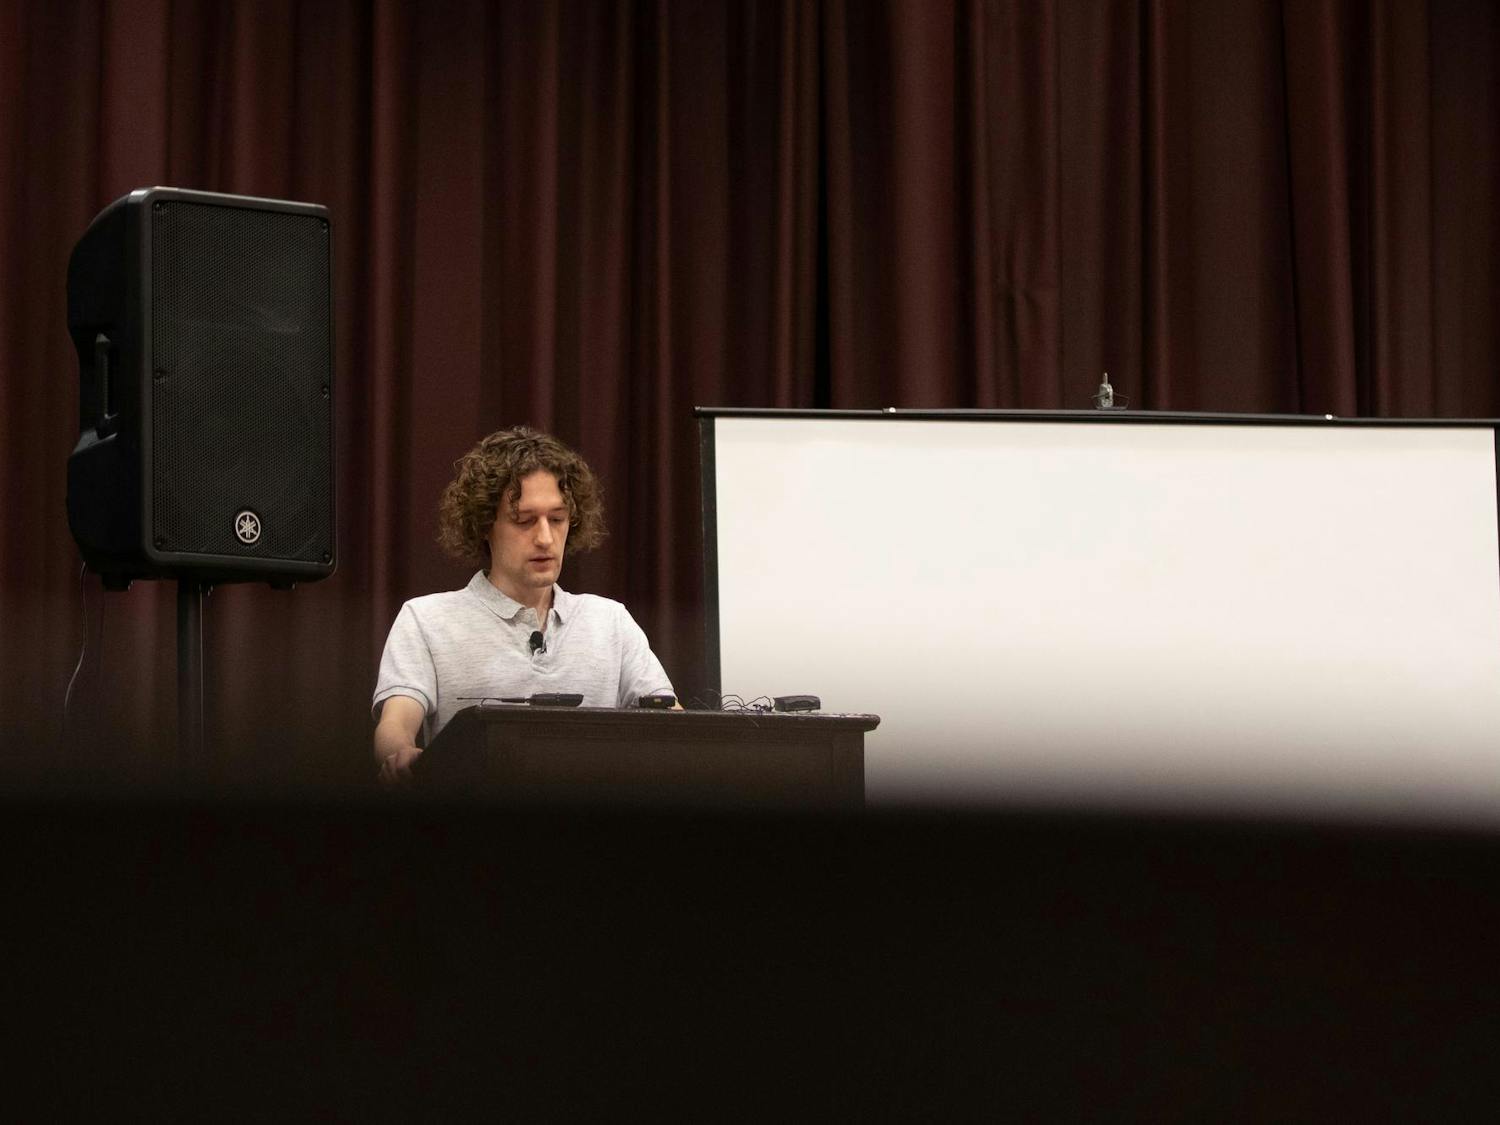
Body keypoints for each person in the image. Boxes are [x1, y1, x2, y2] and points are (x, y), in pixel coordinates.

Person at [372, 426, 675, 785]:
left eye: (558, 519)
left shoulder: (611, 621)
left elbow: (674, 727)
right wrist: (402, 754)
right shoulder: (426, 619)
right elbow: (396, 722)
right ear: (485, 525)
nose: (545, 538)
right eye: (524, 521)